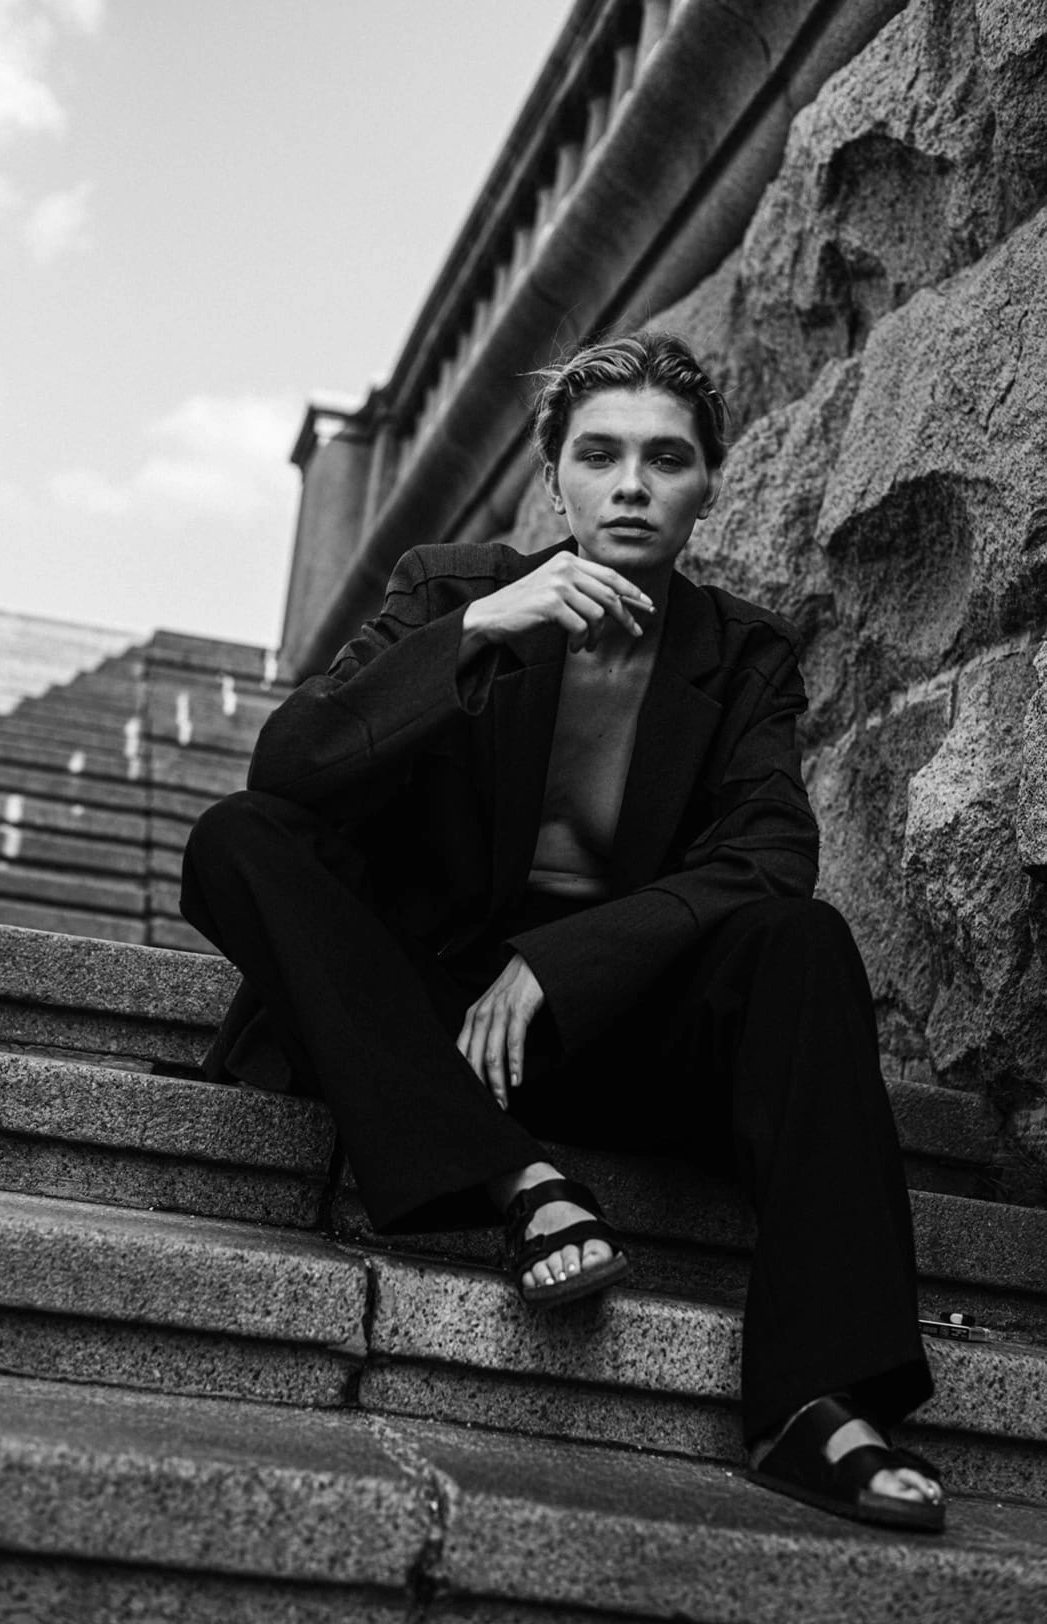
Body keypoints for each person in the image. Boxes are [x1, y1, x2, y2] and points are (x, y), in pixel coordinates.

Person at [181, 332, 945, 1533]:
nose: (630, 484)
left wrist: (556, 962)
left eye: (665, 459)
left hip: (610, 1029)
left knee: (799, 939)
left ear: (707, 485)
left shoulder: (740, 654)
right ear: (554, 478)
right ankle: (518, 1176)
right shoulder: (448, 589)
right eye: (598, 455)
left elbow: (764, 858)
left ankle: (816, 1398)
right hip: (423, 1031)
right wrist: (479, 630)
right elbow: (293, 768)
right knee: (237, 837)